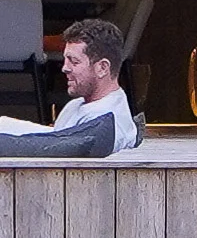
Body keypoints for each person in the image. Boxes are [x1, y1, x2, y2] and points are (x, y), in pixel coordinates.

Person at [45, 15, 140, 148]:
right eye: (65, 60)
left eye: (74, 61)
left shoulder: (106, 123)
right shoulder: (75, 105)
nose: (64, 68)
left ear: (102, 68)